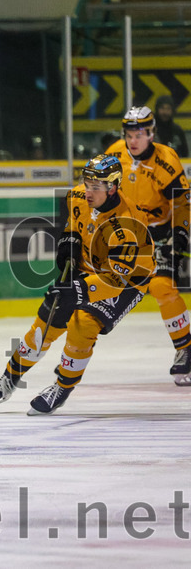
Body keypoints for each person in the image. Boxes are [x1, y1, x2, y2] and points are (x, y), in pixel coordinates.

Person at [0, 154, 155, 412]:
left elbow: (115, 280)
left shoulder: (128, 222)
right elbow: (74, 221)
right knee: (46, 321)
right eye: (87, 182)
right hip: (89, 266)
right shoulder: (78, 195)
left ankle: (62, 387)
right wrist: (69, 240)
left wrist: (79, 291)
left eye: (96, 186)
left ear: (113, 187)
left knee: (83, 324)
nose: (89, 191)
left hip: (127, 281)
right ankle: (8, 380)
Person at [103, 106, 191, 385]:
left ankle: (185, 349)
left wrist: (180, 236)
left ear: (151, 133)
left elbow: (181, 203)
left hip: (161, 233)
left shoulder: (167, 160)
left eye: (140, 133)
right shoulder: (113, 155)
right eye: (130, 134)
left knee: (162, 286)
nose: (134, 140)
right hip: (128, 235)